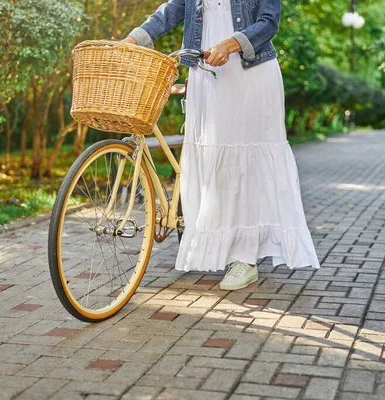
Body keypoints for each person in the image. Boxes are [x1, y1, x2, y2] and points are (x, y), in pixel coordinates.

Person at [122, 0, 321, 290]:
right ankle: (222, 245)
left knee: (247, 165)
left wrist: (230, 45)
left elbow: (269, 21)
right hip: (205, 75)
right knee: (214, 163)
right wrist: (133, 38)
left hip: (249, 74)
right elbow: (173, 10)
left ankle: (246, 258)